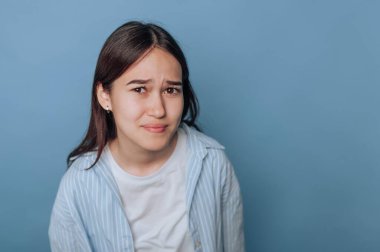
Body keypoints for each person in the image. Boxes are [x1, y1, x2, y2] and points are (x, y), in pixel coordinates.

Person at [48, 21, 245, 252]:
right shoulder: (78, 187)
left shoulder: (213, 163)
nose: (159, 110)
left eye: (171, 90)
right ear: (104, 96)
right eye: (139, 89)